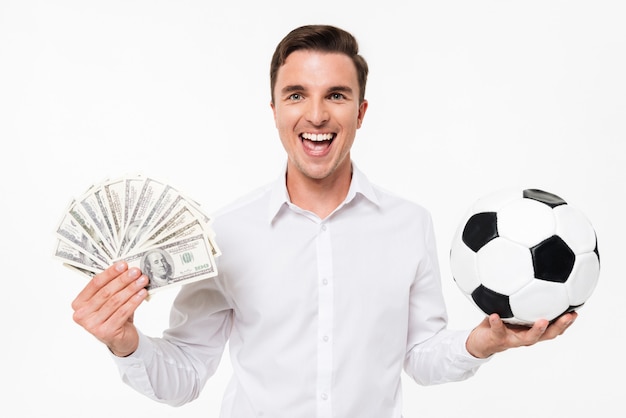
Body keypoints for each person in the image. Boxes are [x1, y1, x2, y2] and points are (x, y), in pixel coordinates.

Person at [71, 24, 577, 417]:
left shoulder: (408, 224)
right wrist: (123, 340)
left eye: (336, 95)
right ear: (274, 110)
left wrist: (485, 341)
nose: (316, 115)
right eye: (296, 95)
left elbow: (420, 358)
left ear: (360, 111)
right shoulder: (224, 234)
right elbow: (183, 377)